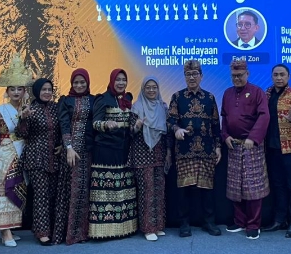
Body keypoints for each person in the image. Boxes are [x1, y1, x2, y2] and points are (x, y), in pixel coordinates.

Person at [167, 59, 222, 238]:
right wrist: (177, 129)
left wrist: (218, 147)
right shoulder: (177, 97)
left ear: (201, 76)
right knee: (184, 190)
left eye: (195, 74)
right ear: (184, 77)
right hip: (184, 151)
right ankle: (184, 223)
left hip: (206, 151)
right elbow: (170, 120)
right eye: (188, 74)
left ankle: (209, 222)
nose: (191, 77)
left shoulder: (210, 98)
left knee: (207, 189)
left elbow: (216, 124)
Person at [0, 53, 33, 247]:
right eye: (12, 89)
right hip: (5, 152)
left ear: (24, 91)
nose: (16, 92)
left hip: (21, 151)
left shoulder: (28, 108)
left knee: (18, 188)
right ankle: (4, 231)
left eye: (19, 89)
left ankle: (10, 227)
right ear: (7, 91)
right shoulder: (0, 109)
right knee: (3, 189)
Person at [221, 60, 270, 240]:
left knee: (253, 187)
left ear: (247, 74)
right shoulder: (227, 93)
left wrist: (253, 138)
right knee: (236, 185)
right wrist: (225, 136)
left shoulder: (257, 92)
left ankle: (253, 224)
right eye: (233, 76)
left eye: (240, 75)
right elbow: (224, 118)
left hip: (252, 145)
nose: (237, 78)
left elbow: (264, 116)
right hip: (233, 145)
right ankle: (240, 221)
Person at [16, 78, 68, 245]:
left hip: (54, 157)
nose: (47, 92)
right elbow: (21, 134)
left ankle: (53, 230)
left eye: (49, 90)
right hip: (36, 158)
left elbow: (63, 129)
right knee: (41, 196)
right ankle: (42, 233)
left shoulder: (55, 108)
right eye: (43, 89)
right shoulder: (30, 109)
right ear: (37, 91)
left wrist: (62, 144)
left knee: (53, 195)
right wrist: (24, 119)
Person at [88, 69, 138, 239]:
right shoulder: (103, 99)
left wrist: (136, 127)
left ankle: (123, 228)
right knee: (107, 191)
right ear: (111, 81)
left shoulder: (127, 99)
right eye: (118, 80)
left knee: (122, 190)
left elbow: (128, 127)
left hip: (124, 151)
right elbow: (95, 123)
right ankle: (104, 231)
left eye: (124, 80)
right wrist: (105, 124)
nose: (121, 83)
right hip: (105, 151)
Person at [262, 64, 291, 238]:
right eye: (276, 75)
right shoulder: (267, 94)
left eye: (282, 74)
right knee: (278, 185)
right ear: (272, 76)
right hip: (272, 147)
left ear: (288, 76)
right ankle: (279, 220)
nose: (279, 78)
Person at [58, 68, 94, 245]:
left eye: (82, 82)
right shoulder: (65, 101)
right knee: (70, 192)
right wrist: (69, 147)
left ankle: (82, 233)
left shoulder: (93, 100)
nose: (79, 85)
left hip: (87, 152)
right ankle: (70, 234)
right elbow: (64, 125)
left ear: (87, 83)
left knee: (84, 192)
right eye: (76, 82)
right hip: (70, 154)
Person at [131, 76, 168, 241]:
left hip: (159, 153)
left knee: (159, 190)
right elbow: (130, 132)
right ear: (143, 89)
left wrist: (168, 153)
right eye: (148, 87)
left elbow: (166, 132)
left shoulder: (163, 107)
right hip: (142, 154)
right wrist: (137, 126)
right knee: (147, 191)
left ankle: (158, 226)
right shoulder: (137, 107)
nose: (151, 90)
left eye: (154, 87)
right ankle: (148, 228)